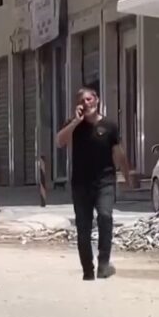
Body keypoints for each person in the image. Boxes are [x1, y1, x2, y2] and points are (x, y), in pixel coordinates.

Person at [55, 87, 134, 280]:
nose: (86, 103)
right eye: (82, 100)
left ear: (97, 100)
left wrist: (126, 176)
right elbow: (59, 142)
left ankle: (104, 264)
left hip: (105, 182)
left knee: (105, 216)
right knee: (83, 227)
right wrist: (75, 122)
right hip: (81, 184)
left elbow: (118, 152)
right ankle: (87, 270)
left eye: (89, 99)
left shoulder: (109, 126)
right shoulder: (75, 126)